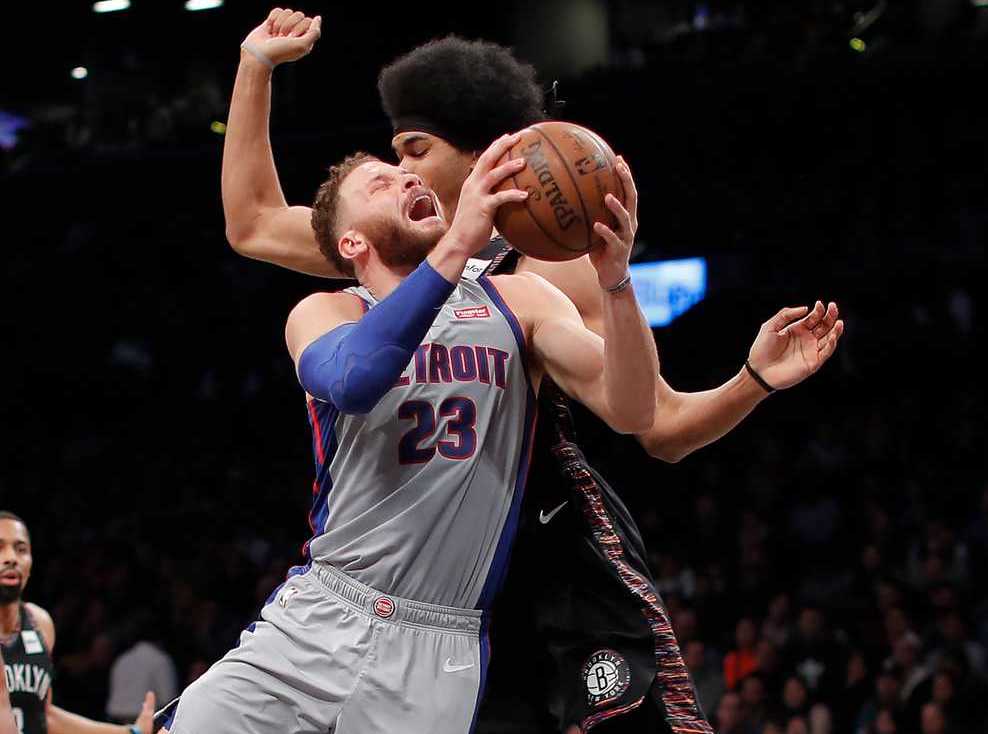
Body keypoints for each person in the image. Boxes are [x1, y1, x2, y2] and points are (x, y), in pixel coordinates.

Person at [214, 10, 842, 733]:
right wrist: (255, 65)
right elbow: (252, 221)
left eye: (416, 149)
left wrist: (749, 381)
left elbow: (659, 424)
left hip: (551, 550)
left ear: (488, 155)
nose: (401, 170)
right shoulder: (389, 245)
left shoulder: (544, 270)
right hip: (436, 586)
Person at [164, 118, 662, 732]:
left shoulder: (520, 300)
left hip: (439, 645)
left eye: (407, 175)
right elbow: (354, 379)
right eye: (380, 183)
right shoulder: (328, 312)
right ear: (351, 243)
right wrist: (459, 245)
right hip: (324, 610)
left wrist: (616, 280)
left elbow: (634, 409)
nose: (407, 180)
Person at [0, 512, 156, 734]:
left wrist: (130, 732)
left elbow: (44, 715)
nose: (11, 558)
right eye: (0, 548)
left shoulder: (39, 623)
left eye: (21, 549)